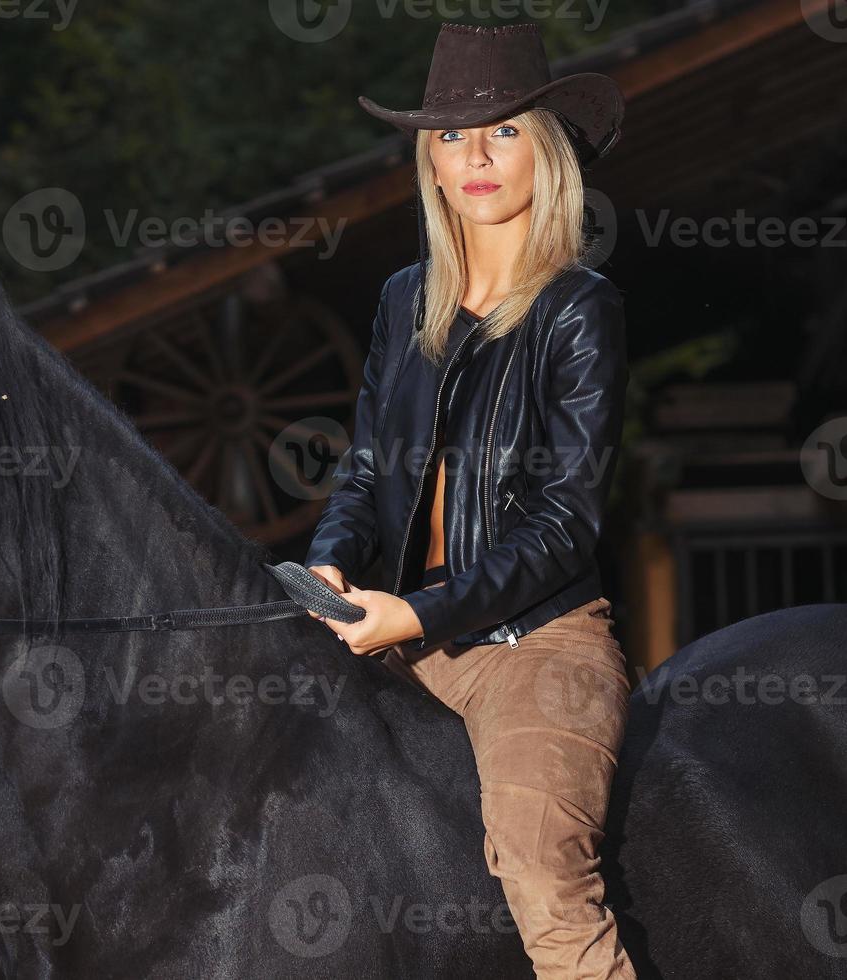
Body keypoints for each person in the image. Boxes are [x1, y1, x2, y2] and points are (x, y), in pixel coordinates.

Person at [303, 22, 636, 980]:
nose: (474, 155)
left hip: (536, 645)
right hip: (402, 631)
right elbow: (365, 469)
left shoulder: (577, 309)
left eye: (501, 130)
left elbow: (565, 521)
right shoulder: (405, 299)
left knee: (543, 880)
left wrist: (420, 608)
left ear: (548, 152)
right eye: (450, 136)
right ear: (430, 165)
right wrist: (330, 557)